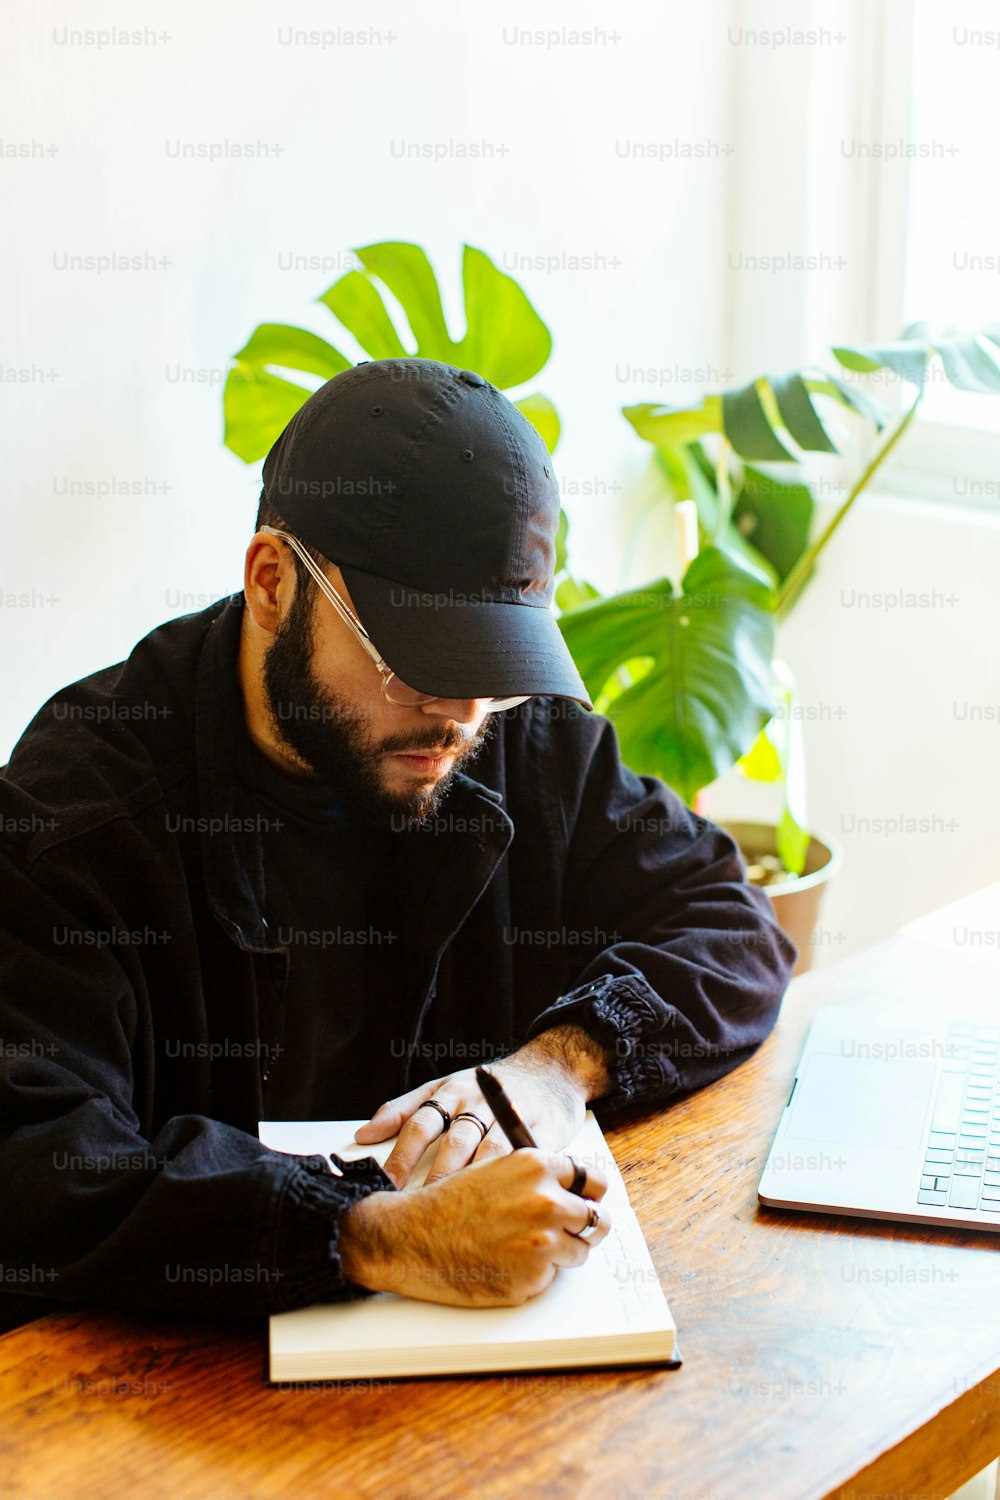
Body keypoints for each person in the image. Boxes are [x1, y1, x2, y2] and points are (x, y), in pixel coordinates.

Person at [0, 358, 795, 1330]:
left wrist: (557, 1063)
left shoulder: (509, 740)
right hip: (174, 1387)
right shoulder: (81, 813)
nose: (458, 715)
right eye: (415, 663)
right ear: (271, 582)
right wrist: (374, 1234)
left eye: (493, 664)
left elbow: (730, 923)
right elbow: (33, 1158)